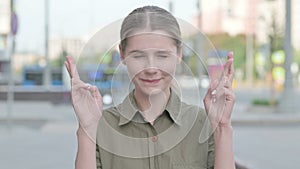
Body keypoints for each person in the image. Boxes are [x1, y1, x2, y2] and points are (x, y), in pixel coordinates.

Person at [65, 5, 236, 169]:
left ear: (179, 54)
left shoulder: (203, 124)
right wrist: (86, 129)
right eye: (138, 56)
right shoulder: (100, 126)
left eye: (162, 55)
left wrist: (222, 126)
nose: (151, 68)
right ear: (122, 55)